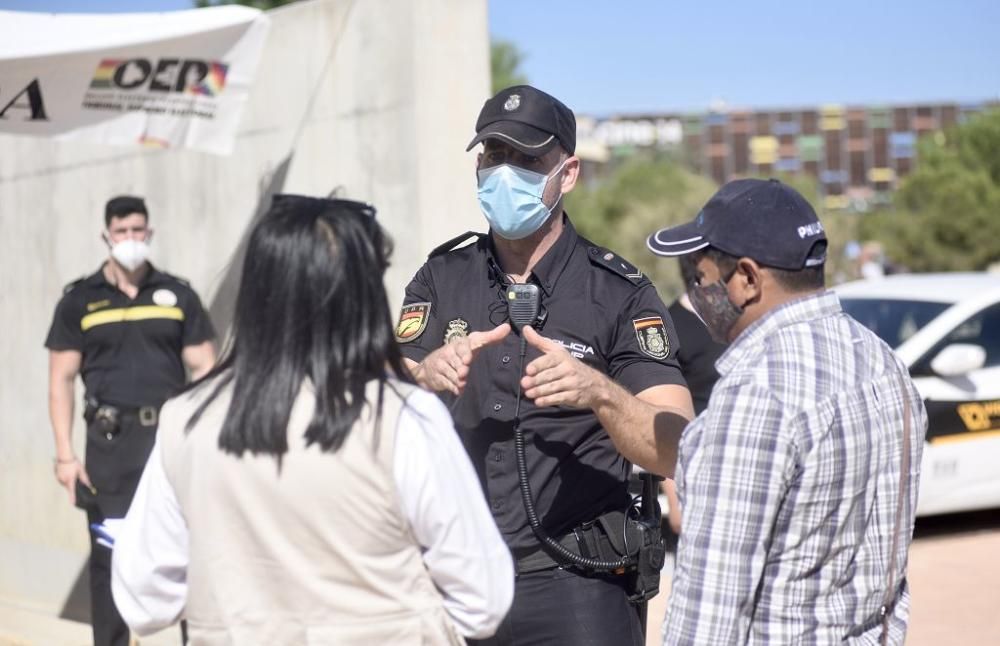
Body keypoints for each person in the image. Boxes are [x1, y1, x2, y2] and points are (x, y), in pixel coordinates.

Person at [111, 195, 514, 645]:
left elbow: (143, 599)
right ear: (361, 296)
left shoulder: (185, 420)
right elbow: (484, 600)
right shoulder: (402, 416)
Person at [397, 85, 694, 645]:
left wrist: (599, 392)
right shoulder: (440, 278)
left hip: (580, 584)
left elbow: (675, 443)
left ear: (569, 172)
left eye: (527, 159)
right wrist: (421, 374)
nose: (504, 172)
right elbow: (374, 406)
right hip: (457, 578)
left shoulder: (619, 292)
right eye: (493, 156)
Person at [647, 178, 927, 644]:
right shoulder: (884, 364)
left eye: (697, 277)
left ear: (747, 280)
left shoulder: (757, 394)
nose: (693, 295)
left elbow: (710, 612)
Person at [45, 195, 216, 646]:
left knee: (186, 554)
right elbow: (60, 380)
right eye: (121, 232)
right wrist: (65, 457)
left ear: (150, 233)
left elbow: (205, 367)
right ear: (106, 236)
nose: (130, 239)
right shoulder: (79, 301)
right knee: (110, 559)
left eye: (138, 230)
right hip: (109, 449)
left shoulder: (177, 295)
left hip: (169, 445)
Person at [661, 271, 727, 536]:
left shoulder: (734, 321)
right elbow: (665, 415)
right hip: (695, 472)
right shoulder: (672, 324)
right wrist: (675, 500)